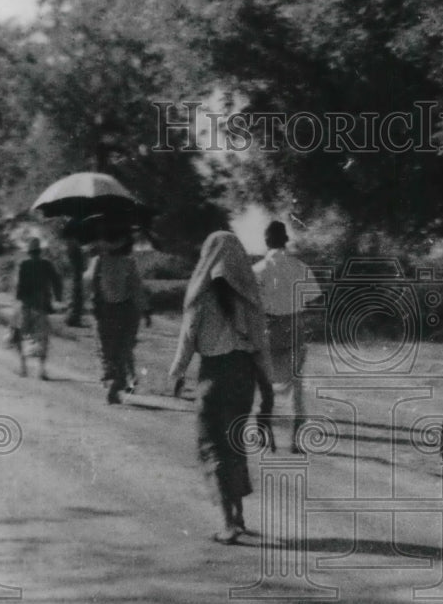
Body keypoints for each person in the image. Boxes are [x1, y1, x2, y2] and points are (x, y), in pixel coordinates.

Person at [168, 231, 275, 544]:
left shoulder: (200, 297)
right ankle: (238, 515)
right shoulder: (250, 300)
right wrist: (267, 388)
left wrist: (177, 374)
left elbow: (187, 341)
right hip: (244, 377)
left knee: (211, 446)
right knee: (234, 443)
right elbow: (261, 347)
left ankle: (228, 524)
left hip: (213, 377)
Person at [252, 220, 317, 452]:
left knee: (264, 384)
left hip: (267, 328)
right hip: (294, 328)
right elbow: (311, 299)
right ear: (286, 241)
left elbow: (251, 304)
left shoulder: (258, 270)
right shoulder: (300, 267)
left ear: (266, 241)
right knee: (296, 386)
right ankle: (297, 437)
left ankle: (263, 427)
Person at [86, 232, 149, 405]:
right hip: (126, 311)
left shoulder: (98, 261)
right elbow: (137, 289)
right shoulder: (129, 262)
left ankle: (113, 379)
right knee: (122, 348)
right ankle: (117, 382)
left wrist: (93, 301)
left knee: (107, 349)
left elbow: (90, 284)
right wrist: (146, 311)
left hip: (105, 310)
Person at [14, 237, 63, 380]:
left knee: (20, 335)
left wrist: (20, 297)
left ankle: (23, 367)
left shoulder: (24, 264)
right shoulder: (46, 264)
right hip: (41, 306)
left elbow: (19, 286)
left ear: (29, 252)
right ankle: (41, 370)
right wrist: (58, 298)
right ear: (39, 251)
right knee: (43, 338)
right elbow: (57, 281)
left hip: (26, 305)